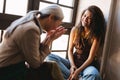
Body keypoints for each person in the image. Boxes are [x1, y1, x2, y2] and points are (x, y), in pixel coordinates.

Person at [0, 4, 66, 80]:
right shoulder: (31, 29)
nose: (56, 28)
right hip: (6, 71)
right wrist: (49, 40)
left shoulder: (29, 24)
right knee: (50, 68)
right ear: (51, 17)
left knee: (51, 66)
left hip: (9, 67)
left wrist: (49, 38)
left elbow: (33, 53)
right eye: (59, 24)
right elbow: (35, 64)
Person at [45, 5, 106, 80]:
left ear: (95, 21)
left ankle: (75, 76)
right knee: (49, 57)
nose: (85, 19)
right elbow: (70, 50)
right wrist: (72, 66)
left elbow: (91, 58)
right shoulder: (75, 30)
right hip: (73, 62)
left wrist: (77, 71)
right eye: (84, 16)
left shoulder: (96, 35)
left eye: (89, 18)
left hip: (87, 66)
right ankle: (77, 77)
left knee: (95, 75)